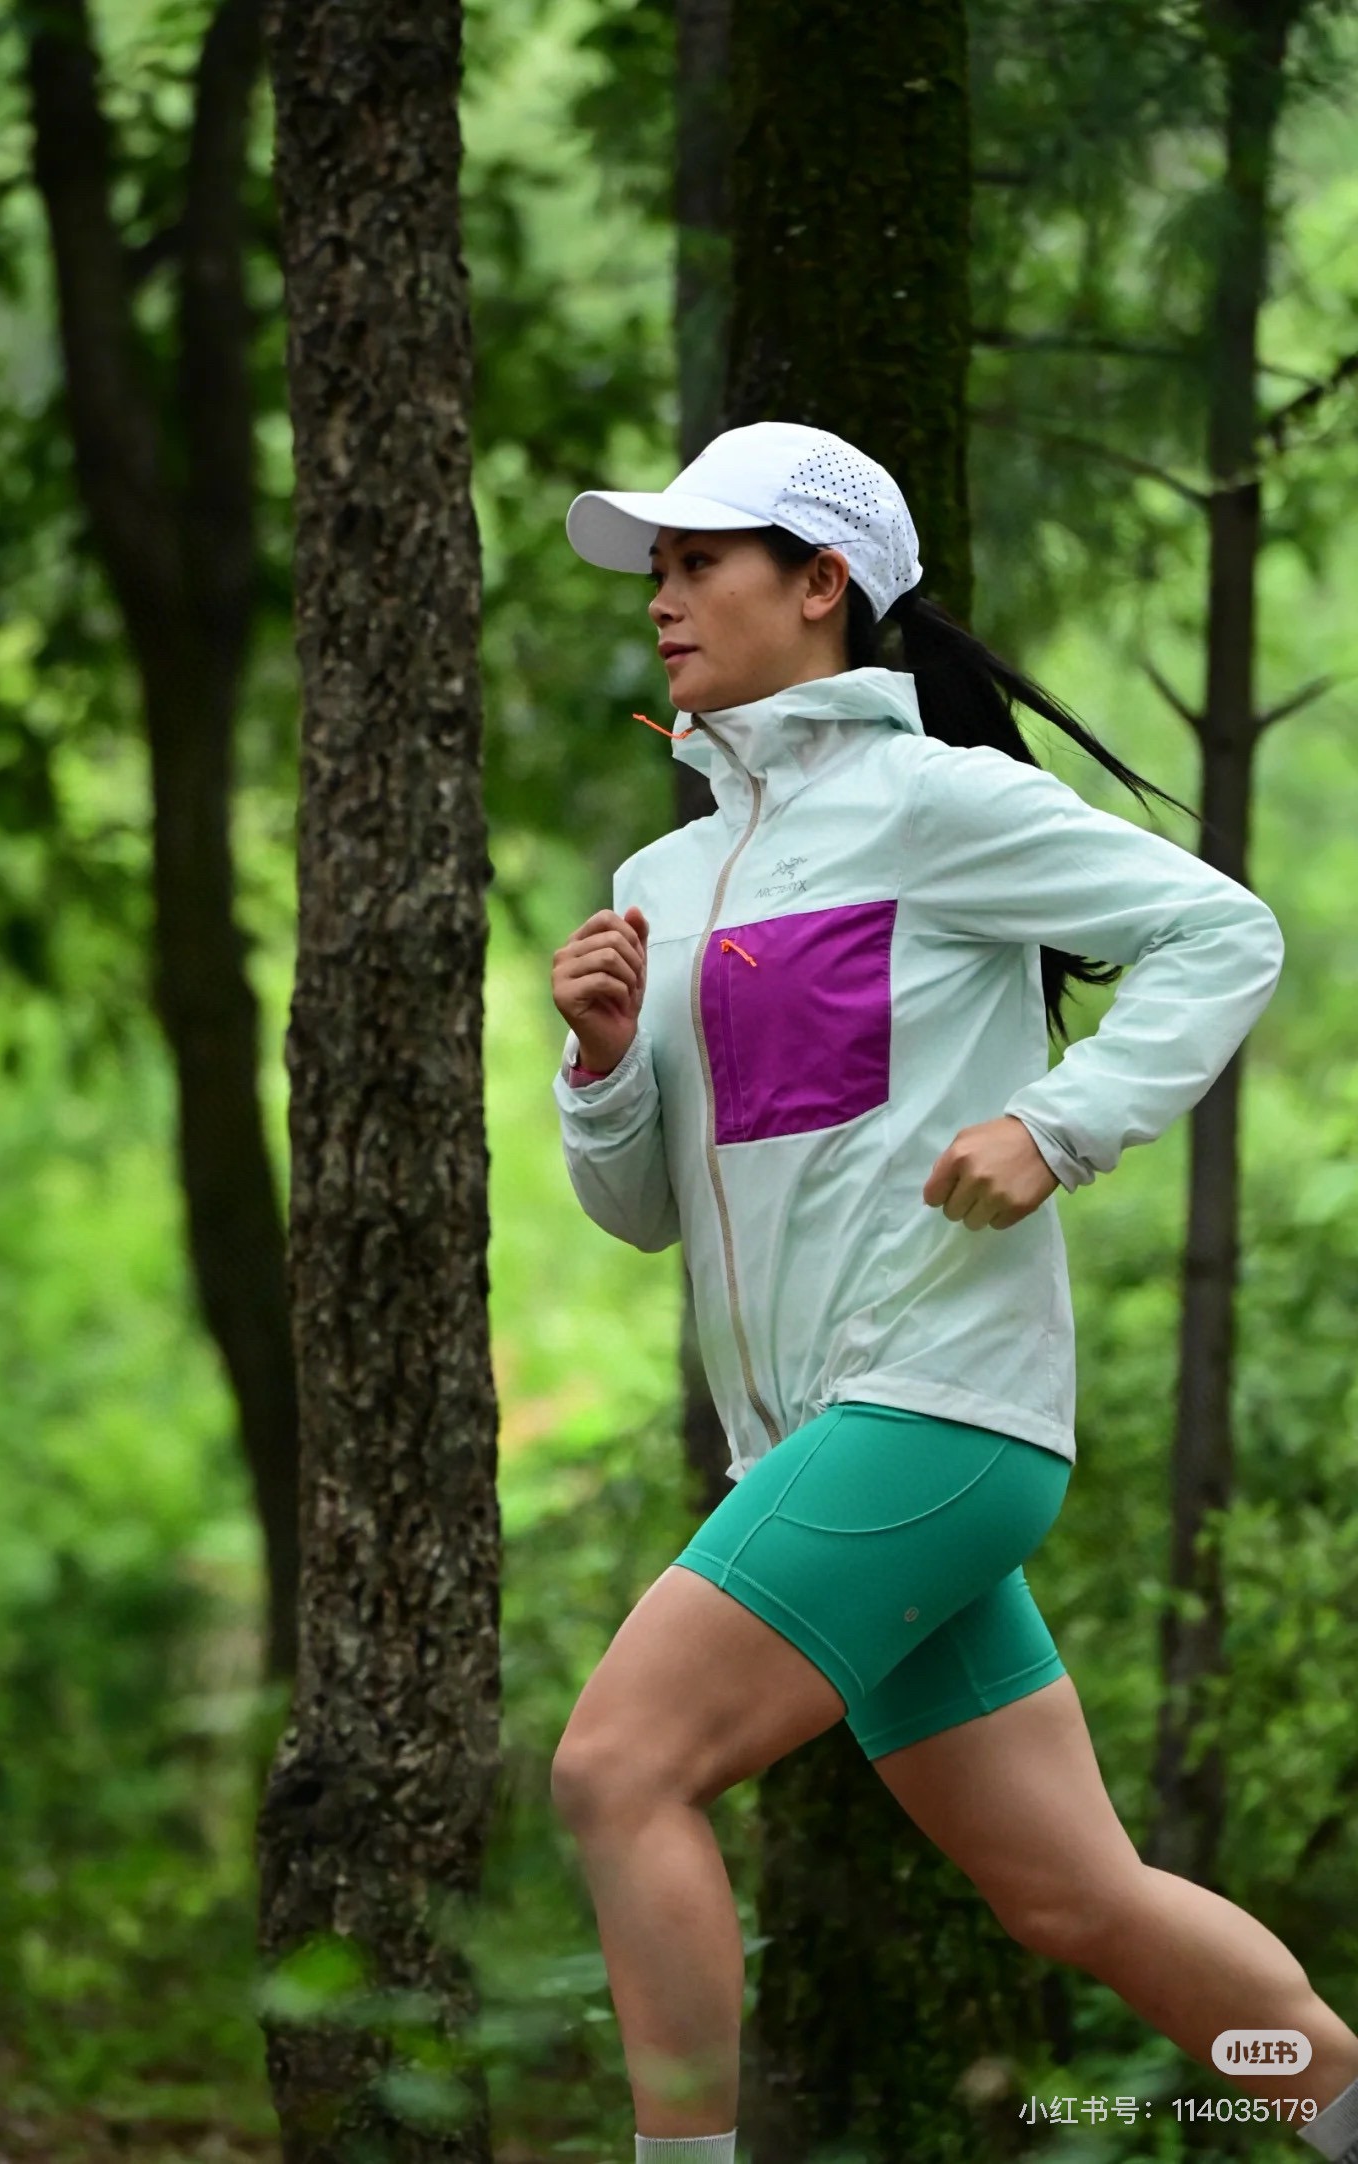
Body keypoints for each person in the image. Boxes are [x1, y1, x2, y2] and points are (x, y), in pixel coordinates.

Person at [546, 419, 1358, 2164]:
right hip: (819, 1446)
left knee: (619, 1768)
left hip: (935, 1406)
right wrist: (604, 1066)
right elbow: (639, 1214)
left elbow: (1223, 931)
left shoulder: (933, 802)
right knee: (1075, 1899)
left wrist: (1057, 1130)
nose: (662, 601)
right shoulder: (661, 884)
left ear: (821, 584)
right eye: (656, 570)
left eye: (700, 562)